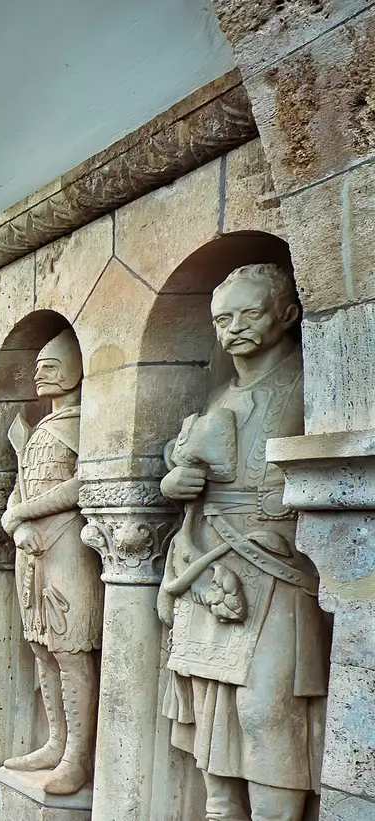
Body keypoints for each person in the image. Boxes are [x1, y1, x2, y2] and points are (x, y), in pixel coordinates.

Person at [158, 263, 326, 821]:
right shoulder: (218, 395)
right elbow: (190, 474)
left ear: (288, 314)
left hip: (279, 563)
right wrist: (174, 483)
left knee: (267, 709)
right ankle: (221, 812)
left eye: (250, 314)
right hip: (209, 567)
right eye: (222, 319)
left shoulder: (311, 381)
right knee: (213, 707)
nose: (234, 328)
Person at [0, 330, 101, 795]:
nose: (40, 373)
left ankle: (78, 756)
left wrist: (22, 513)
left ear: (78, 369)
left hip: (68, 548)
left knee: (70, 650)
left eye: (52, 364)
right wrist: (17, 524)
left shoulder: (85, 422)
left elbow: (82, 485)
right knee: (41, 647)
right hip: (31, 551)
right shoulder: (39, 429)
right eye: (38, 365)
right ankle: (55, 741)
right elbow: (18, 488)